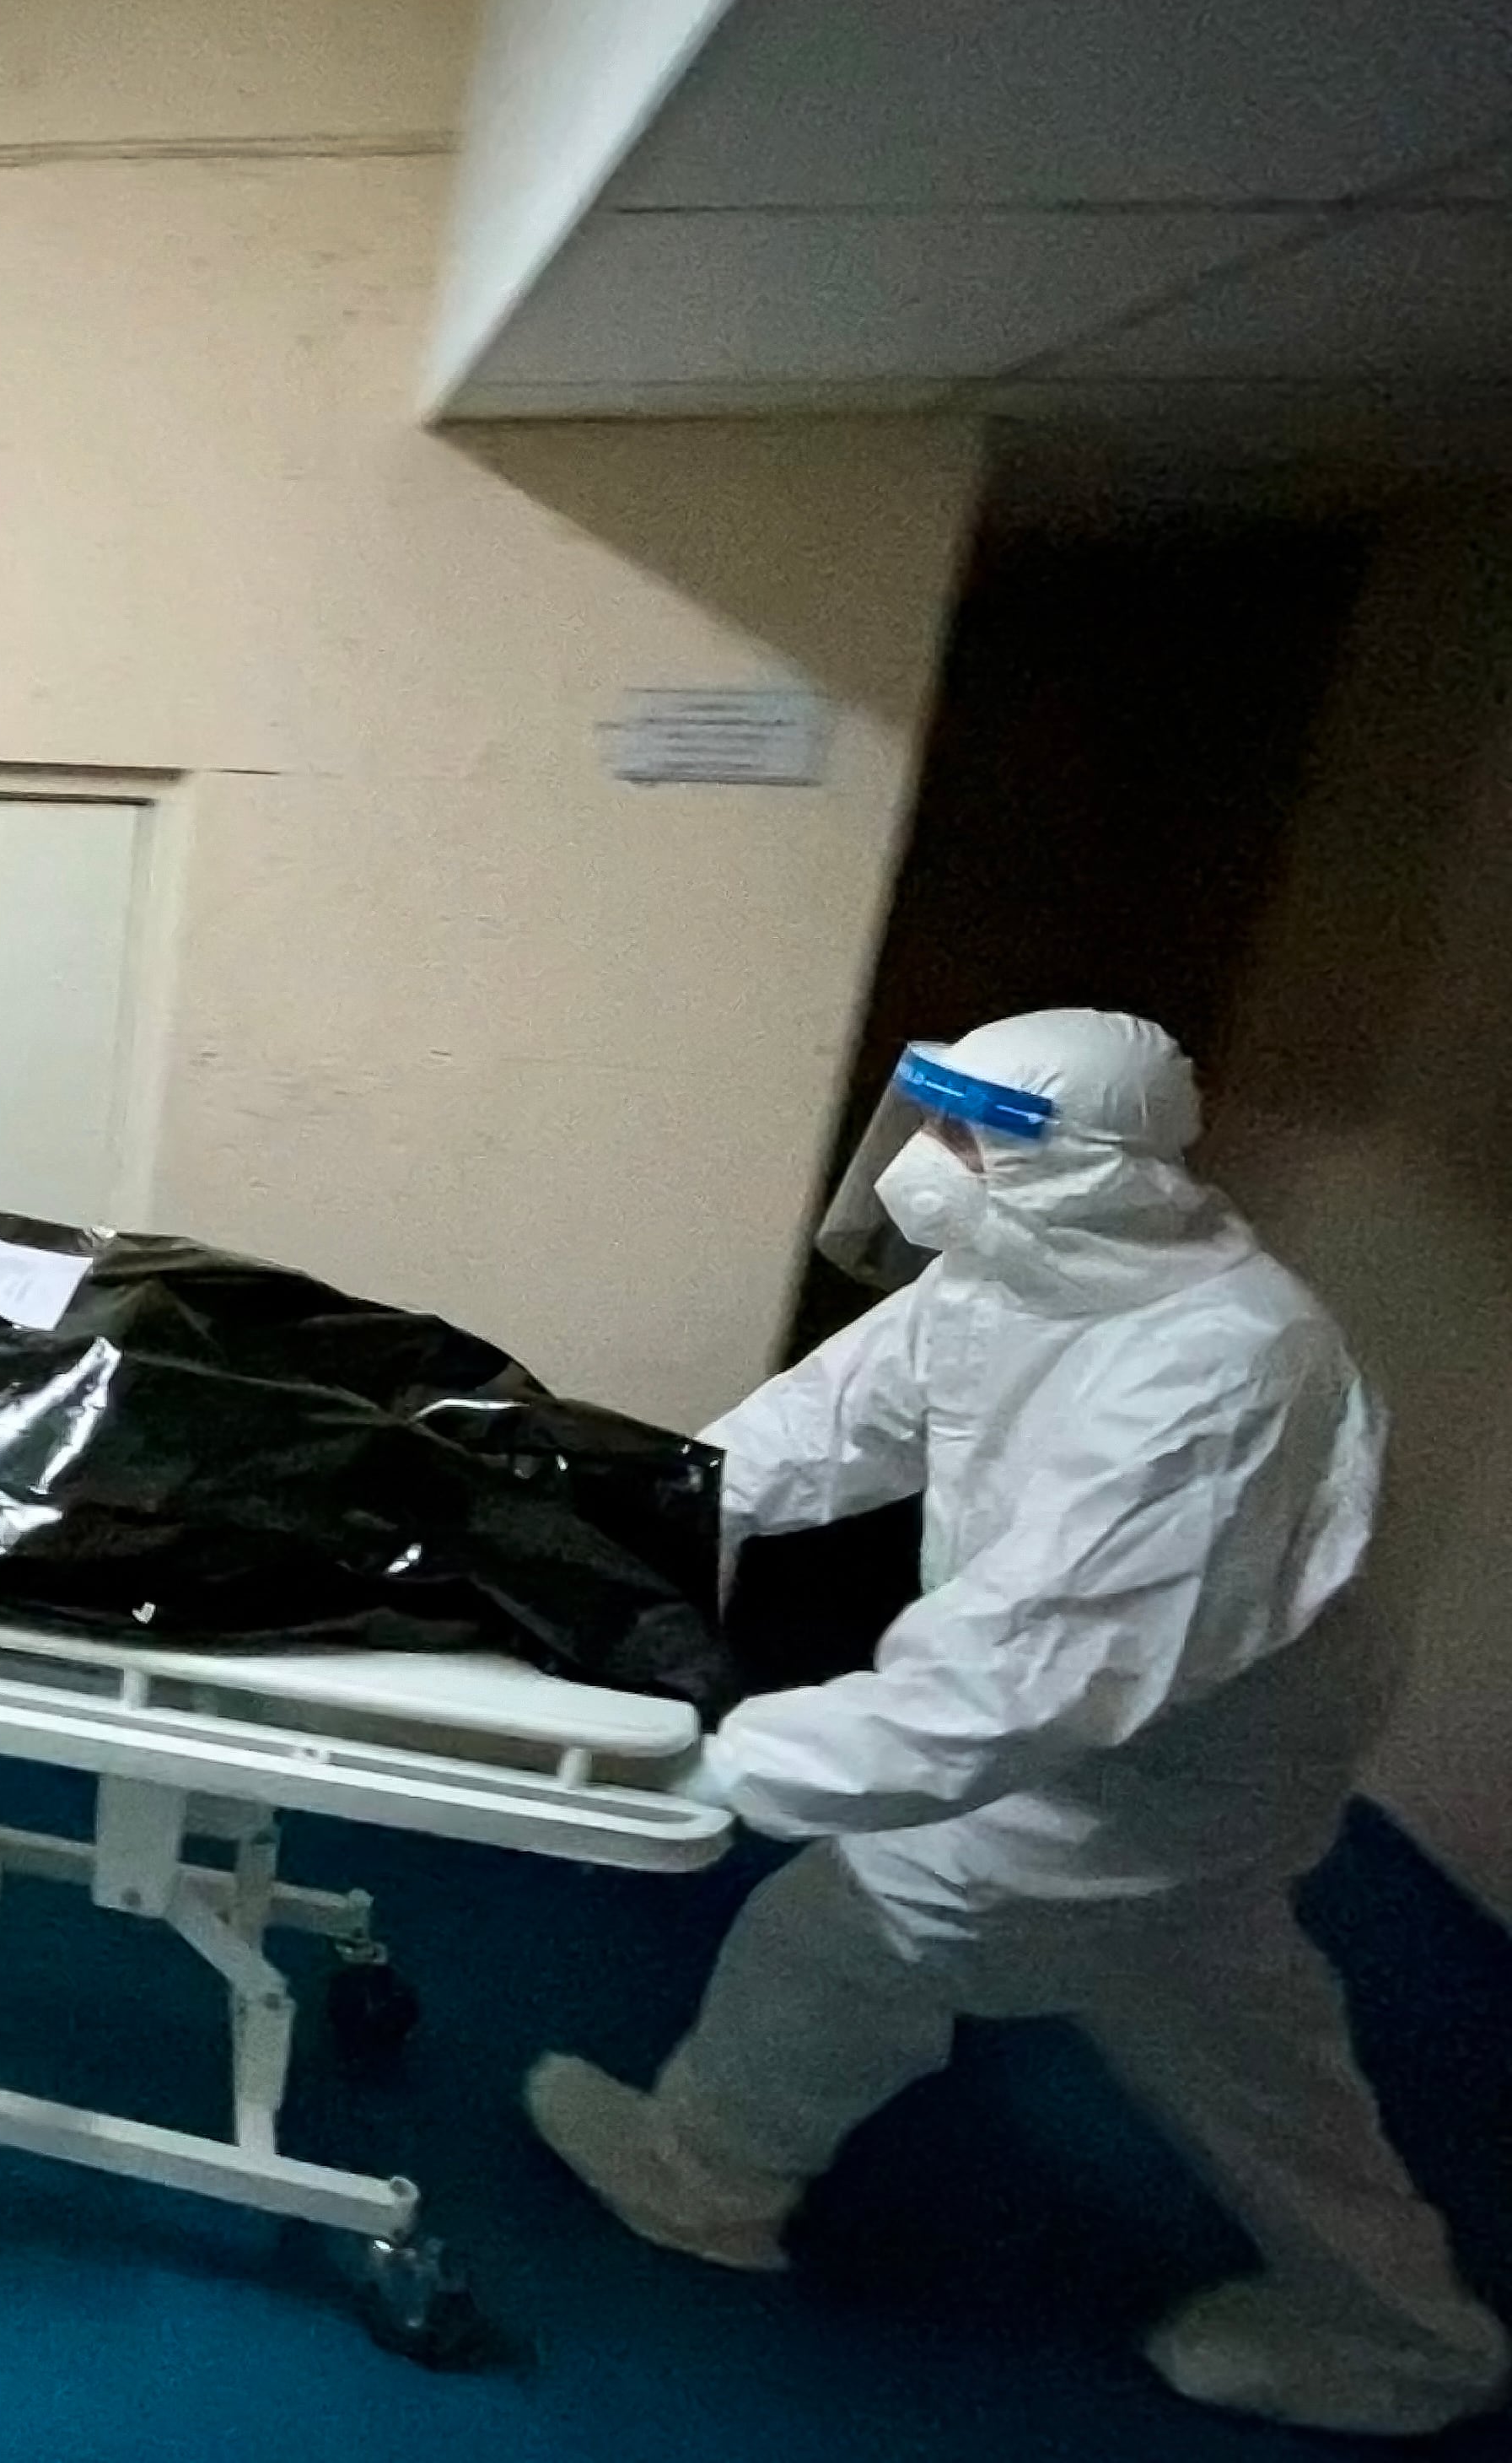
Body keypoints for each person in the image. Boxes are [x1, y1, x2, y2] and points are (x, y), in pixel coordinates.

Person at [525, 1009, 1507, 2439]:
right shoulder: (1013, 1275)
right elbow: (812, 1435)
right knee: (1222, 2019)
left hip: (1161, 1769)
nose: (932, 1165)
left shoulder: (1221, 1367)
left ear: (1098, 1169)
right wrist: (606, 1531)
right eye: (930, 1122)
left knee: (849, 1928)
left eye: (976, 1137)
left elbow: (1031, 1678)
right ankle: (1406, 2336)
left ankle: (704, 2182)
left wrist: (716, 1761)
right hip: (1121, 1755)